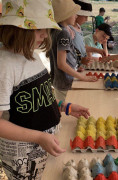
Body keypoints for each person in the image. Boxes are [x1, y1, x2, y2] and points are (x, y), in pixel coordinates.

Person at [0, 0, 91, 179]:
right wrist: (39, 137)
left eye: (46, 27)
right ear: (16, 28)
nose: (44, 34)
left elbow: (39, 96)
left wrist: (66, 106)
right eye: (37, 28)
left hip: (46, 144)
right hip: (23, 157)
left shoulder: (31, 54)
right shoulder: (4, 66)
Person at [49, 0, 97, 101]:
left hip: (59, 80)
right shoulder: (63, 33)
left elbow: (65, 58)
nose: (76, 16)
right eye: (74, 13)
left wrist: (74, 66)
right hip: (65, 82)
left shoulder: (56, 30)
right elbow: (61, 64)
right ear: (65, 15)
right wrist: (82, 77)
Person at [69, 0, 107, 66]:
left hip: (77, 66)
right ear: (77, 14)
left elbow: (81, 46)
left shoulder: (78, 27)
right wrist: (80, 60)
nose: (86, 20)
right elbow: (68, 53)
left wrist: (98, 50)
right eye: (85, 16)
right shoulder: (69, 30)